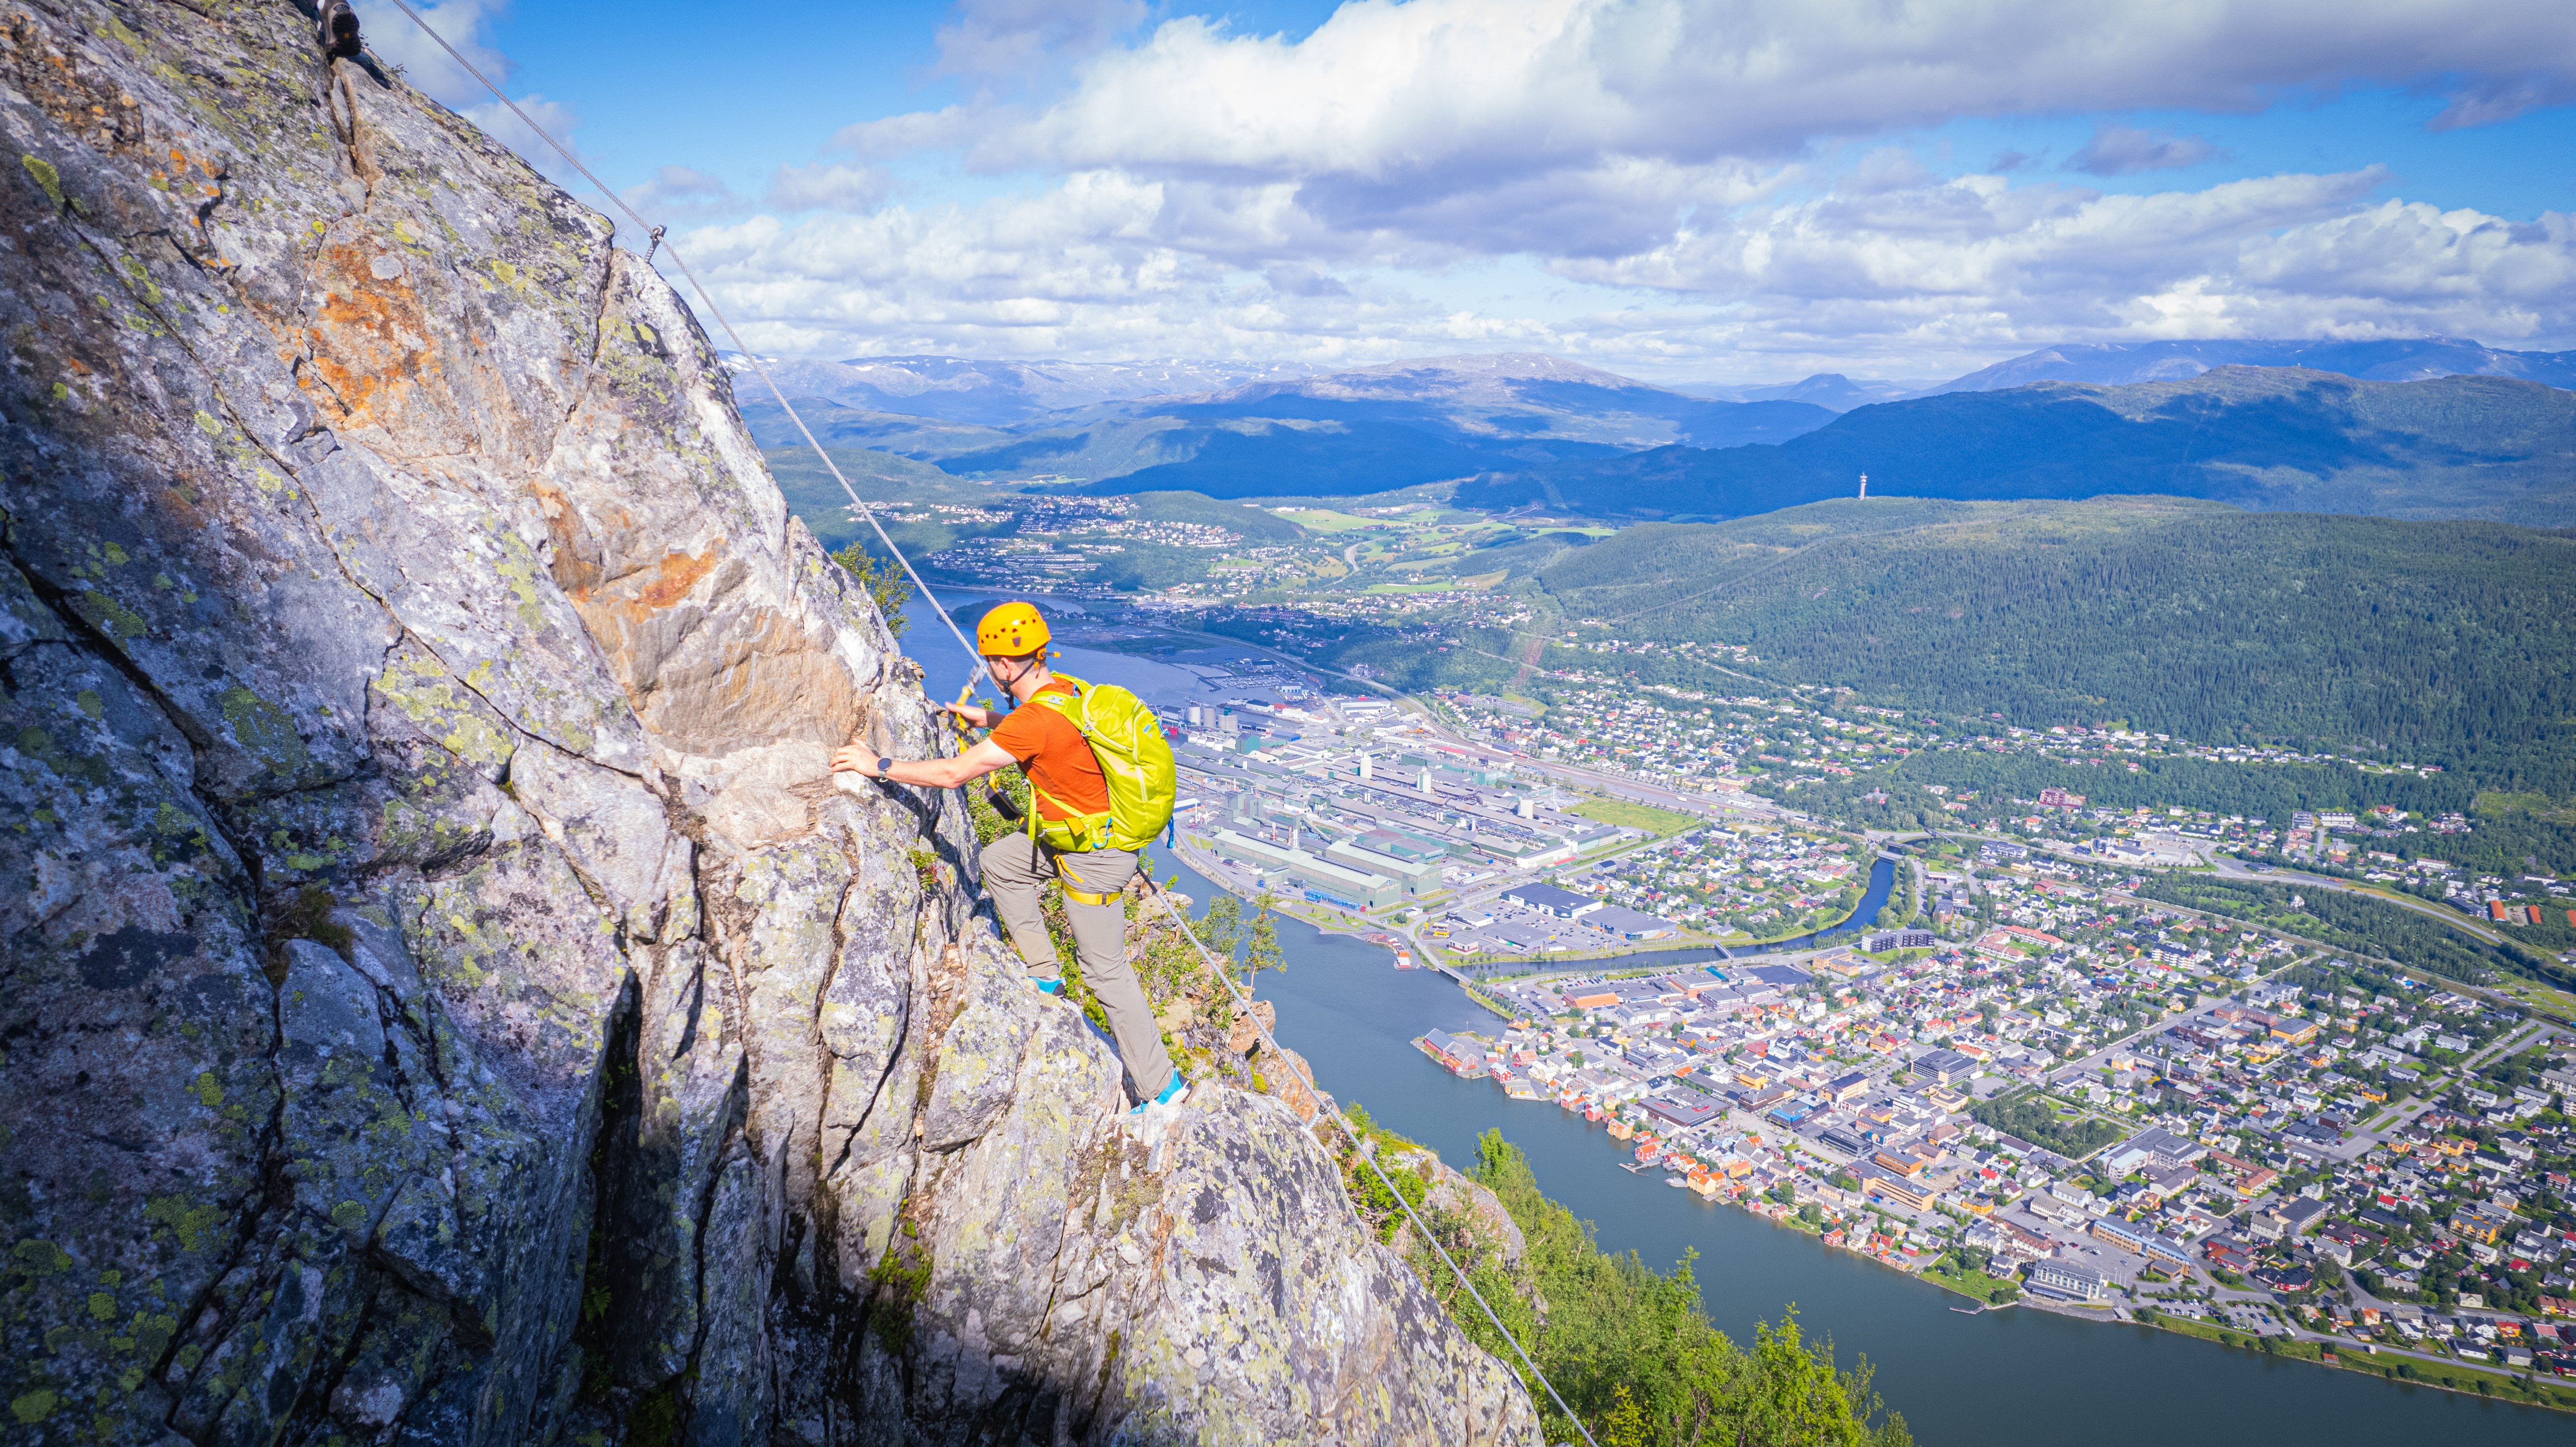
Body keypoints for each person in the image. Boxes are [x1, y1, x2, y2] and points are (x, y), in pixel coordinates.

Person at [831, 601, 1186, 1112]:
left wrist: (878, 764)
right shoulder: (1064, 688)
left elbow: (954, 774)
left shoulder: (1030, 723)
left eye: (990, 660)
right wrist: (989, 719)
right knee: (1001, 862)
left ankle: (1163, 1091)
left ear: (1002, 665)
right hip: (1077, 838)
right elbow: (1043, 731)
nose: (990, 668)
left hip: (1094, 856)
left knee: (1105, 971)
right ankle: (1044, 972)